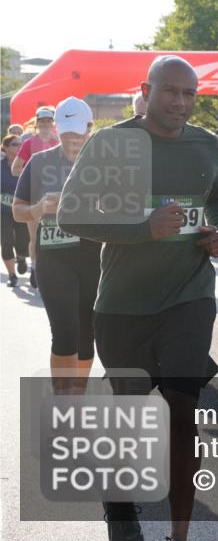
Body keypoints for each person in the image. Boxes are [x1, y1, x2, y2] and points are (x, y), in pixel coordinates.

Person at [59, 55, 218, 541]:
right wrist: (142, 227)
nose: (180, 102)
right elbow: (71, 213)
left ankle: (180, 533)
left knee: (182, 406)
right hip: (123, 304)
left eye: (189, 93)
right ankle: (120, 514)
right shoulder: (111, 143)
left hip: (190, 294)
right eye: (170, 91)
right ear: (145, 91)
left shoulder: (205, 143)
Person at [13, 97, 100, 394]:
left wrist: (93, 207)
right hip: (54, 258)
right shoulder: (39, 162)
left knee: (86, 332)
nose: (72, 139)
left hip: (93, 255)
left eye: (78, 133)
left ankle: (78, 394)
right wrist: (38, 208)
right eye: (66, 133)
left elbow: (124, 209)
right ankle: (64, 401)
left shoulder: (104, 164)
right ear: (57, 130)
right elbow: (18, 210)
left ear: (90, 128)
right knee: (64, 330)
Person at [13, 105, 60, 288]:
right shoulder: (28, 144)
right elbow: (15, 169)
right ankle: (35, 269)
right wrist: (33, 177)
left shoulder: (59, 142)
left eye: (49, 121)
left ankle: (54, 270)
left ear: (53, 123)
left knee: (56, 237)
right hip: (34, 197)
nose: (46, 124)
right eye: (42, 121)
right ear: (37, 123)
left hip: (56, 197)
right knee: (35, 238)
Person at [1, 135, 30, 286]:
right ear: (5, 147)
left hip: (21, 208)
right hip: (3, 211)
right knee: (6, 242)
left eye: (20, 144)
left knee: (23, 240)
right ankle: (12, 275)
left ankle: (21, 257)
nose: (19, 146)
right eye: (15, 144)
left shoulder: (26, 164)